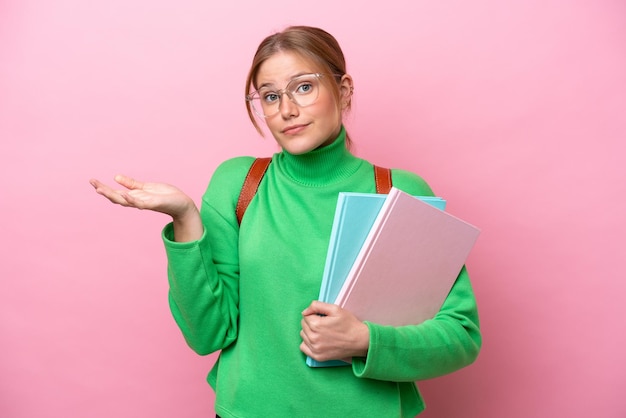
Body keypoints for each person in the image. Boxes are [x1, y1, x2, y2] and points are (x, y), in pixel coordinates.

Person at [90, 25, 481, 418]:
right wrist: (185, 219)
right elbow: (207, 334)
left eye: (304, 87)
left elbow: (459, 336)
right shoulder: (239, 184)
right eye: (271, 96)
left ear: (344, 90)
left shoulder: (399, 191)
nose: (286, 110)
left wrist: (365, 340)